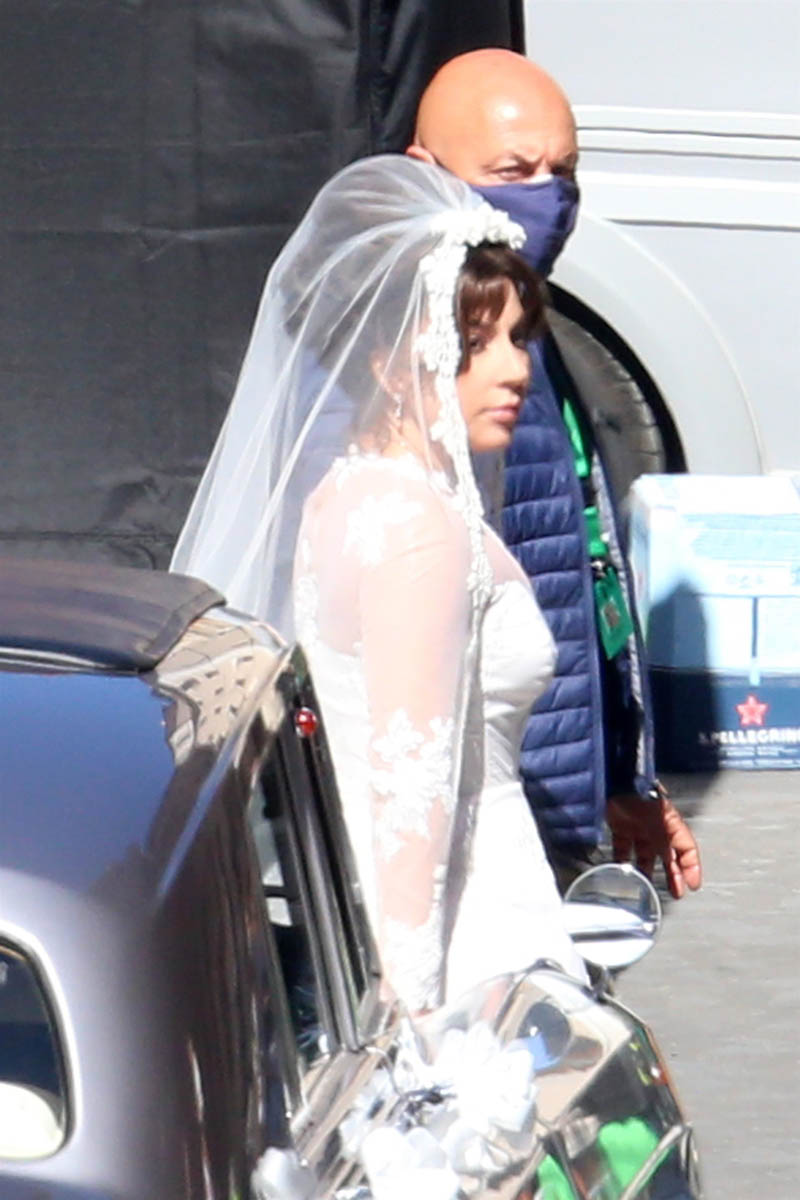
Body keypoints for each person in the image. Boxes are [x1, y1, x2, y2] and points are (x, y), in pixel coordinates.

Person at [171, 155, 587, 1014]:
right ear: (398, 366)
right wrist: (416, 1010)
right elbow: (410, 785)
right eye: (476, 345)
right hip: (470, 936)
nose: (513, 369)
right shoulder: (418, 531)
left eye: (519, 339)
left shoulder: (352, 495)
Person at [406, 50, 702, 899]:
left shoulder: (536, 338)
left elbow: (581, 571)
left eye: (563, 171)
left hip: (555, 809)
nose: (548, 196)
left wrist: (624, 774)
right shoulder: (421, 368)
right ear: (426, 171)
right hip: (481, 834)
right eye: (513, 172)